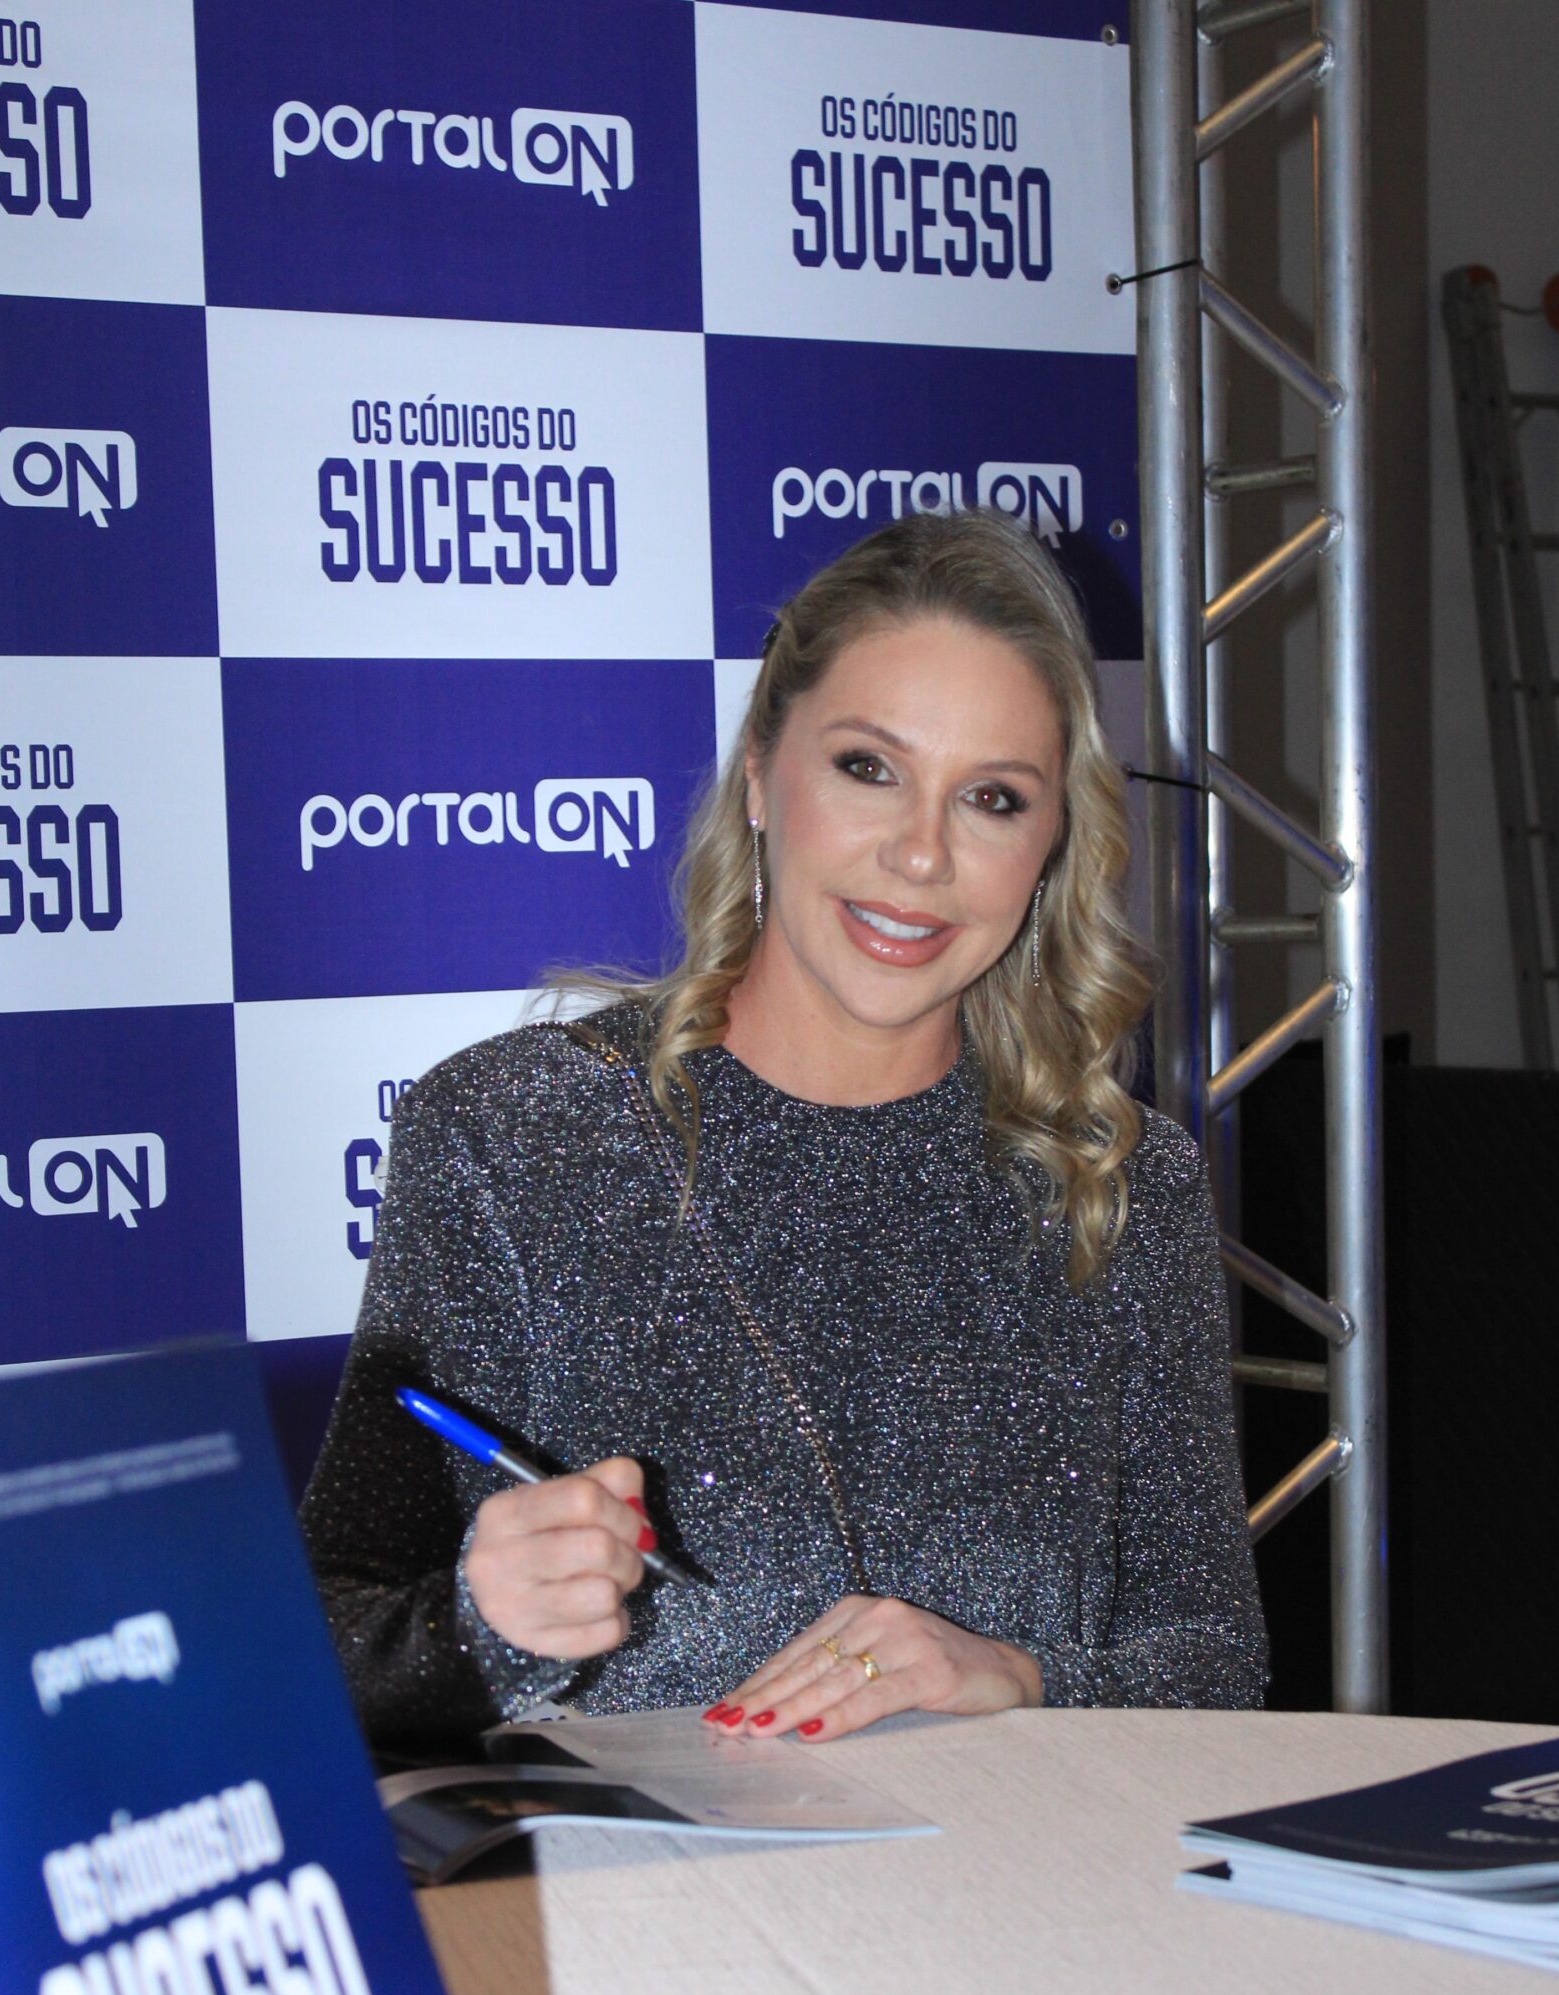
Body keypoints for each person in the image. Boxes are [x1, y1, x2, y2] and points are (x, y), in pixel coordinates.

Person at [301, 509, 1267, 1746]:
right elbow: (321, 1645)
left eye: (990, 798)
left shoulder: (1120, 1185)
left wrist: (1021, 1676)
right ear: (759, 773)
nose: (920, 855)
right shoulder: (516, 1136)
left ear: (1049, 847)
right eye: (868, 768)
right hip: (635, 1868)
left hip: (1028, 1864)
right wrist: (482, 1623)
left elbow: (1214, 1662)